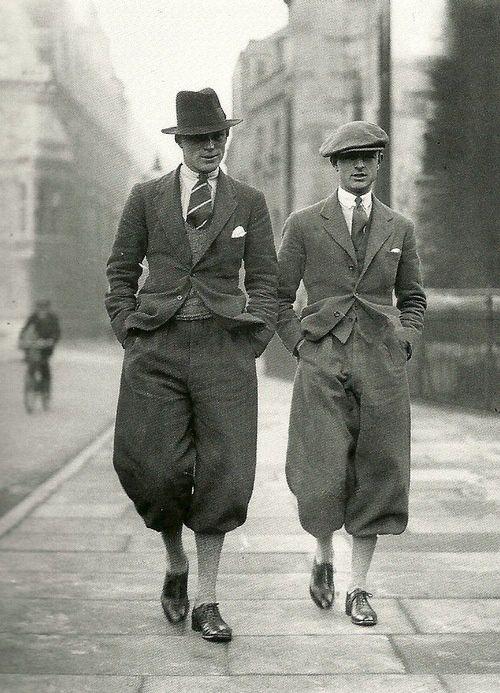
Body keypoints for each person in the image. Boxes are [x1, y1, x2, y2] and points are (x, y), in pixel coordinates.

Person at [105, 88, 277, 642]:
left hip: (225, 351)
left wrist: (253, 339)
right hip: (157, 349)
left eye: (218, 137)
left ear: (227, 138)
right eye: (199, 138)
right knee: (154, 471)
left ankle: (208, 596)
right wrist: (130, 333)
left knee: (225, 475)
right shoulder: (147, 197)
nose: (210, 147)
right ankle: (174, 560)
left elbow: (268, 282)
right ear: (180, 141)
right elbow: (121, 273)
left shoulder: (248, 201)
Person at [277, 121, 426, 626]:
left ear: (379, 163)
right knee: (320, 470)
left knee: (379, 471)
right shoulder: (303, 224)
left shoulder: (399, 227)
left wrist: (404, 337)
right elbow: (278, 295)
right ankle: (322, 556)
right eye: (349, 158)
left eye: (368, 157)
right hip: (322, 360)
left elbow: (413, 298)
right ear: (335, 166)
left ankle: (358, 587)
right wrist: (298, 343)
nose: (359, 165)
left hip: (382, 365)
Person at [18, 299, 61, 397]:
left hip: (47, 345)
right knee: (31, 361)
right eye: (40, 308)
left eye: (44, 308)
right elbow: (25, 328)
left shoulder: (52, 318)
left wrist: (52, 340)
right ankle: (31, 380)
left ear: (48, 308)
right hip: (35, 343)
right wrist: (22, 339)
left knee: (44, 364)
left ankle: (46, 387)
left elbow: (57, 331)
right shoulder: (33, 317)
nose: (42, 310)